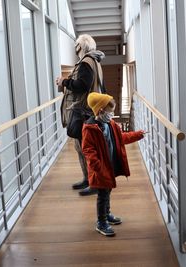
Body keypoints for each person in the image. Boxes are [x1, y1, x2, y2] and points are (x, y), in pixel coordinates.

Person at [81, 92, 145, 236]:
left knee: (107, 192)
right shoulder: (89, 129)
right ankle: (101, 222)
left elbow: (121, 138)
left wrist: (137, 135)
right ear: (101, 110)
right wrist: (98, 167)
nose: (112, 114)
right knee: (102, 195)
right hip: (100, 170)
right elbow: (88, 150)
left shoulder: (110, 124)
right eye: (111, 111)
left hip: (109, 167)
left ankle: (107, 214)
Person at [56, 34, 106, 196]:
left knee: (86, 149)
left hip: (84, 110)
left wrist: (64, 82)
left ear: (80, 47)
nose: (74, 49)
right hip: (89, 109)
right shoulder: (94, 61)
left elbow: (82, 85)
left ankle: (94, 183)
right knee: (83, 148)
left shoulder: (85, 63)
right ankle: (88, 179)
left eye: (76, 46)